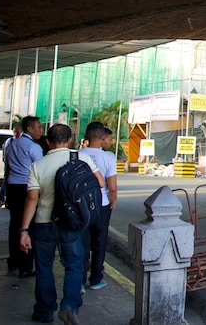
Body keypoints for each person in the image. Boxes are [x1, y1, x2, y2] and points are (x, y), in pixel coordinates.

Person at [19, 123, 105, 324]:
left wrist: (24, 230)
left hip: (43, 223)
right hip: (71, 222)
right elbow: (100, 183)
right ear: (69, 141)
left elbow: (32, 199)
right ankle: (69, 305)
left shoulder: (37, 165)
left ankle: (44, 310)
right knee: (74, 264)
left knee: (43, 266)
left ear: (47, 142)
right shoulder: (81, 158)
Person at [79, 122, 118, 290]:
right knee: (100, 242)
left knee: (82, 242)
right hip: (102, 204)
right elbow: (112, 185)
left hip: (81, 205)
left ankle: (79, 280)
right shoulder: (108, 157)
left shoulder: (78, 154)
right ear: (103, 137)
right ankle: (96, 279)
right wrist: (113, 199)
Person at [6, 115, 45, 276]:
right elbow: (41, 169)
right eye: (38, 127)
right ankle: (26, 266)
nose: (41, 131)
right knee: (28, 225)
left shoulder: (12, 144)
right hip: (28, 187)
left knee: (15, 223)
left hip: (12, 186)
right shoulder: (33, 147)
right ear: (29, 129)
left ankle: (13, 260)